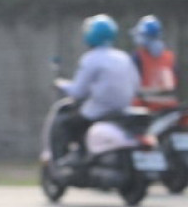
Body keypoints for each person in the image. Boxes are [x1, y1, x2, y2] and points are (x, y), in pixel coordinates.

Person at [51, 14, 140, 166]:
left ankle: (73, 156)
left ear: (91, 35)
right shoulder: (123, 57)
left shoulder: (91, 58)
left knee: (66, 123)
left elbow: (78, 92)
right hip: (124, 110)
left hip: (99, 111)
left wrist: (62, 85)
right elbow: (136, 84)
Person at [129, 14, 179, 112]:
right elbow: (176, 82)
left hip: (144, 111)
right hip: (169, 109)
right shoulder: (170, 57)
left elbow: (130, 84)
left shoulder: (138, 57)